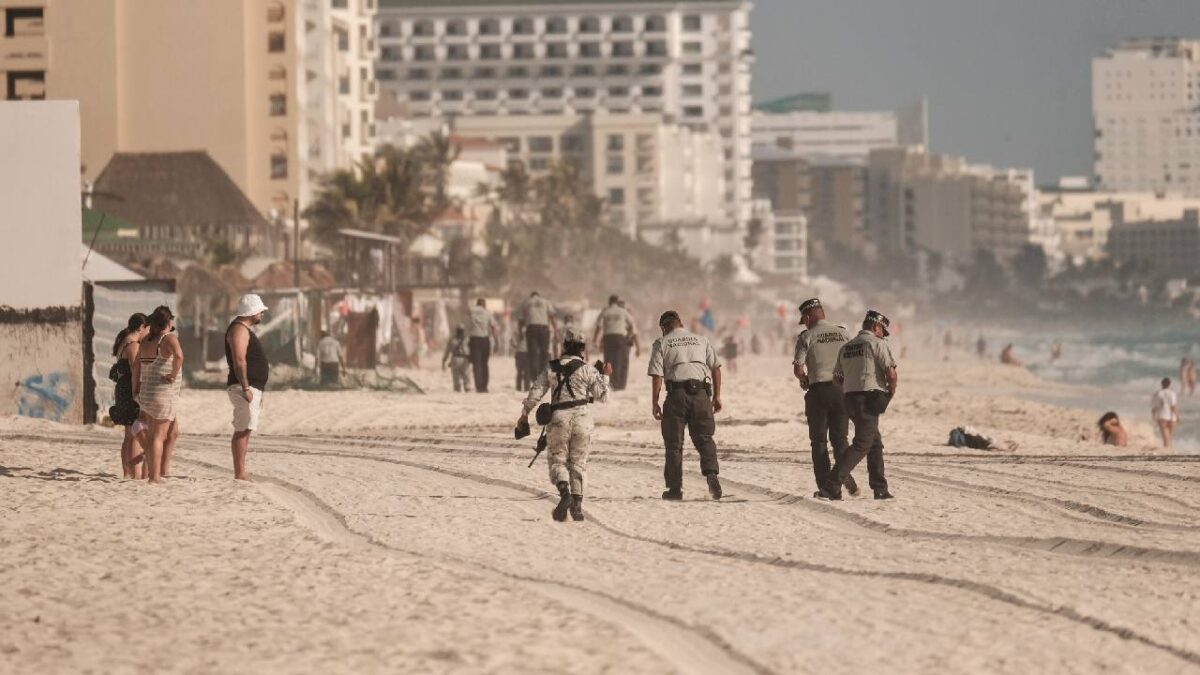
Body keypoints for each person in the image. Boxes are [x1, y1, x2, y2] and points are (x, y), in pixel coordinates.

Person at [517, 327, 612, 522]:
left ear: (565, 345)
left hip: (558, 419)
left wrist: (524, 415)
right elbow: (603, 396)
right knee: (578, 462)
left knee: (558, 461)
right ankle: (577, 506)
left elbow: (535, 392)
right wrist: (606, 375)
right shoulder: (588, 369)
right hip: (582, 420)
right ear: (583, 348)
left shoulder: (551, 367)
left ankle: (565, 493)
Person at [818, 310, 898, 501]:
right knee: (862, 444)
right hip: (869, 398)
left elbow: (837, 379)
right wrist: (890, 392)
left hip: (849, 399)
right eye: (882, 331)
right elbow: (891, 373)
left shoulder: (847, 347)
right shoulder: (877, 343)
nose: (882, 335)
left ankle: (880, 488)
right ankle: (830, 486)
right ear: (875, 327)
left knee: (875, 443)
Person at [648, 310, 723, 501]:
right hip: (701, 396)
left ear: (664, 328)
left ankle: (674, 489)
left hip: (676, 395)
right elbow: (715, 368)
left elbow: (657, 376)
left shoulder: (661, 343)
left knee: (674, 444)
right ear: (680, 323)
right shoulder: (701, 339)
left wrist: (655, 402)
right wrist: (716, 397)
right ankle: (712, 475)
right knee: (705, 438)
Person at [792, 299, 858, 496]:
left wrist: (804, 380)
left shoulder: (806, 336)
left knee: (819, 443)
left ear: (807, 317)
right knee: (840, 440)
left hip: (819, 393)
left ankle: (827, 488)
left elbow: (798, 369)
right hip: (843, 392)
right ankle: (843, 476)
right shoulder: (843, 333)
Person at [136, 306, 183, 484]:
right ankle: (154, 476)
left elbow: (138, 365)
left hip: (146, 393)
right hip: (162, 393)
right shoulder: (169, 338)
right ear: (169, 322)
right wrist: (173, 374)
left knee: (155, 435)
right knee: (158, 436)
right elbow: (179, 356)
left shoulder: (146, 340)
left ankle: (153, 473)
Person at [226, 294, 270, 481]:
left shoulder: (242, 329)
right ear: (252, 312)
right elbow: (239, 360)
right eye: (260, 311)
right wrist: (245, 387)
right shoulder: (239, 330)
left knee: (246, 429)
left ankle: (241, 471)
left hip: (251, 386)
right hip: (244, 386)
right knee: (243, 429)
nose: (262, 314)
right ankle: (240, 473)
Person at [112, 313, 149, 479]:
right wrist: (137, 393)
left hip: (122, 389)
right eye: (147, 329)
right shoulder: (133, 345)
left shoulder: (123, 342)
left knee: (128, 435)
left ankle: (127, 472)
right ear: (141, 327)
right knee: (134, 434)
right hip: (129, 390)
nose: (148, 333)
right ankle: (134, 473)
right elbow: (136, 371)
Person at [593, 295, 637, 391]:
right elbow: (632, 324)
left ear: (609, 302)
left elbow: (599, 326)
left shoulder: (605, 311)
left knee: (608, 360)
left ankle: (610, 383)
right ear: (617, 302)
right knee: (618, 360)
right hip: (620, 338)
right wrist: (631, 336)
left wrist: (595, 339)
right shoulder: (623, 311)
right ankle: (618, 385)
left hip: (608, 338)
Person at [520, 291, 558, 381]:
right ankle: (543, 375)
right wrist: (556, 331)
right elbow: (552, 317)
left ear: (531, 296)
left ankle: (534, 377)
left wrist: (520, 332)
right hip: (544, 329)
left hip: (531, 328)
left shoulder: (526, 302)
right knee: (544, 353)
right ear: (539, 296)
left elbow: (521, 320)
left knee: (532, 353)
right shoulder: (546, 302)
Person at [467, 298, 498, 393]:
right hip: (484, 340)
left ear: (477, 304)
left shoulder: (471, 312)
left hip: (474, 339)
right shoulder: (488, 313)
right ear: (484, 304)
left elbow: (466, 327)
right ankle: (484, 386)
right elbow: (493, 327)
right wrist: (496, 341)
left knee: (476, 364)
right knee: (484, 363)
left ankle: (479, 387)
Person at [442, 326, 473, 393]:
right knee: (466, 376)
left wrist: (444, 360)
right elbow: (471, 349)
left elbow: (447, 350)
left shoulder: (452, 339)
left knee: (456, 377)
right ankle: (466, 389)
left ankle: (458, 389)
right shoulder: (467, 339)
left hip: (456, 358)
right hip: (465, 358)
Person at [1151, 377, 1179, 448]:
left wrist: (1153, 416)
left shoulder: (1158, 393)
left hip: (1162, 415)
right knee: (1170, 436)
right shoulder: (1172, 393)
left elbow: (1154, 406)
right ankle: (1170, 448)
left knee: (1165, 435)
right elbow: (1173, 406)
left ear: (1161, 384)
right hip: (1172, 416)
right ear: (1169, 384)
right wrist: (1177, 416)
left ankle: (1167, 448)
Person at [511, 324, 529, 391]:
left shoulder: (516, 332)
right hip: (527, 353)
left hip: (519, 353)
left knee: (519, 372)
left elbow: (512, 342)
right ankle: (526, 388)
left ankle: (518, 387)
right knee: (527, 372)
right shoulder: (529, 330)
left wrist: (517, 346)